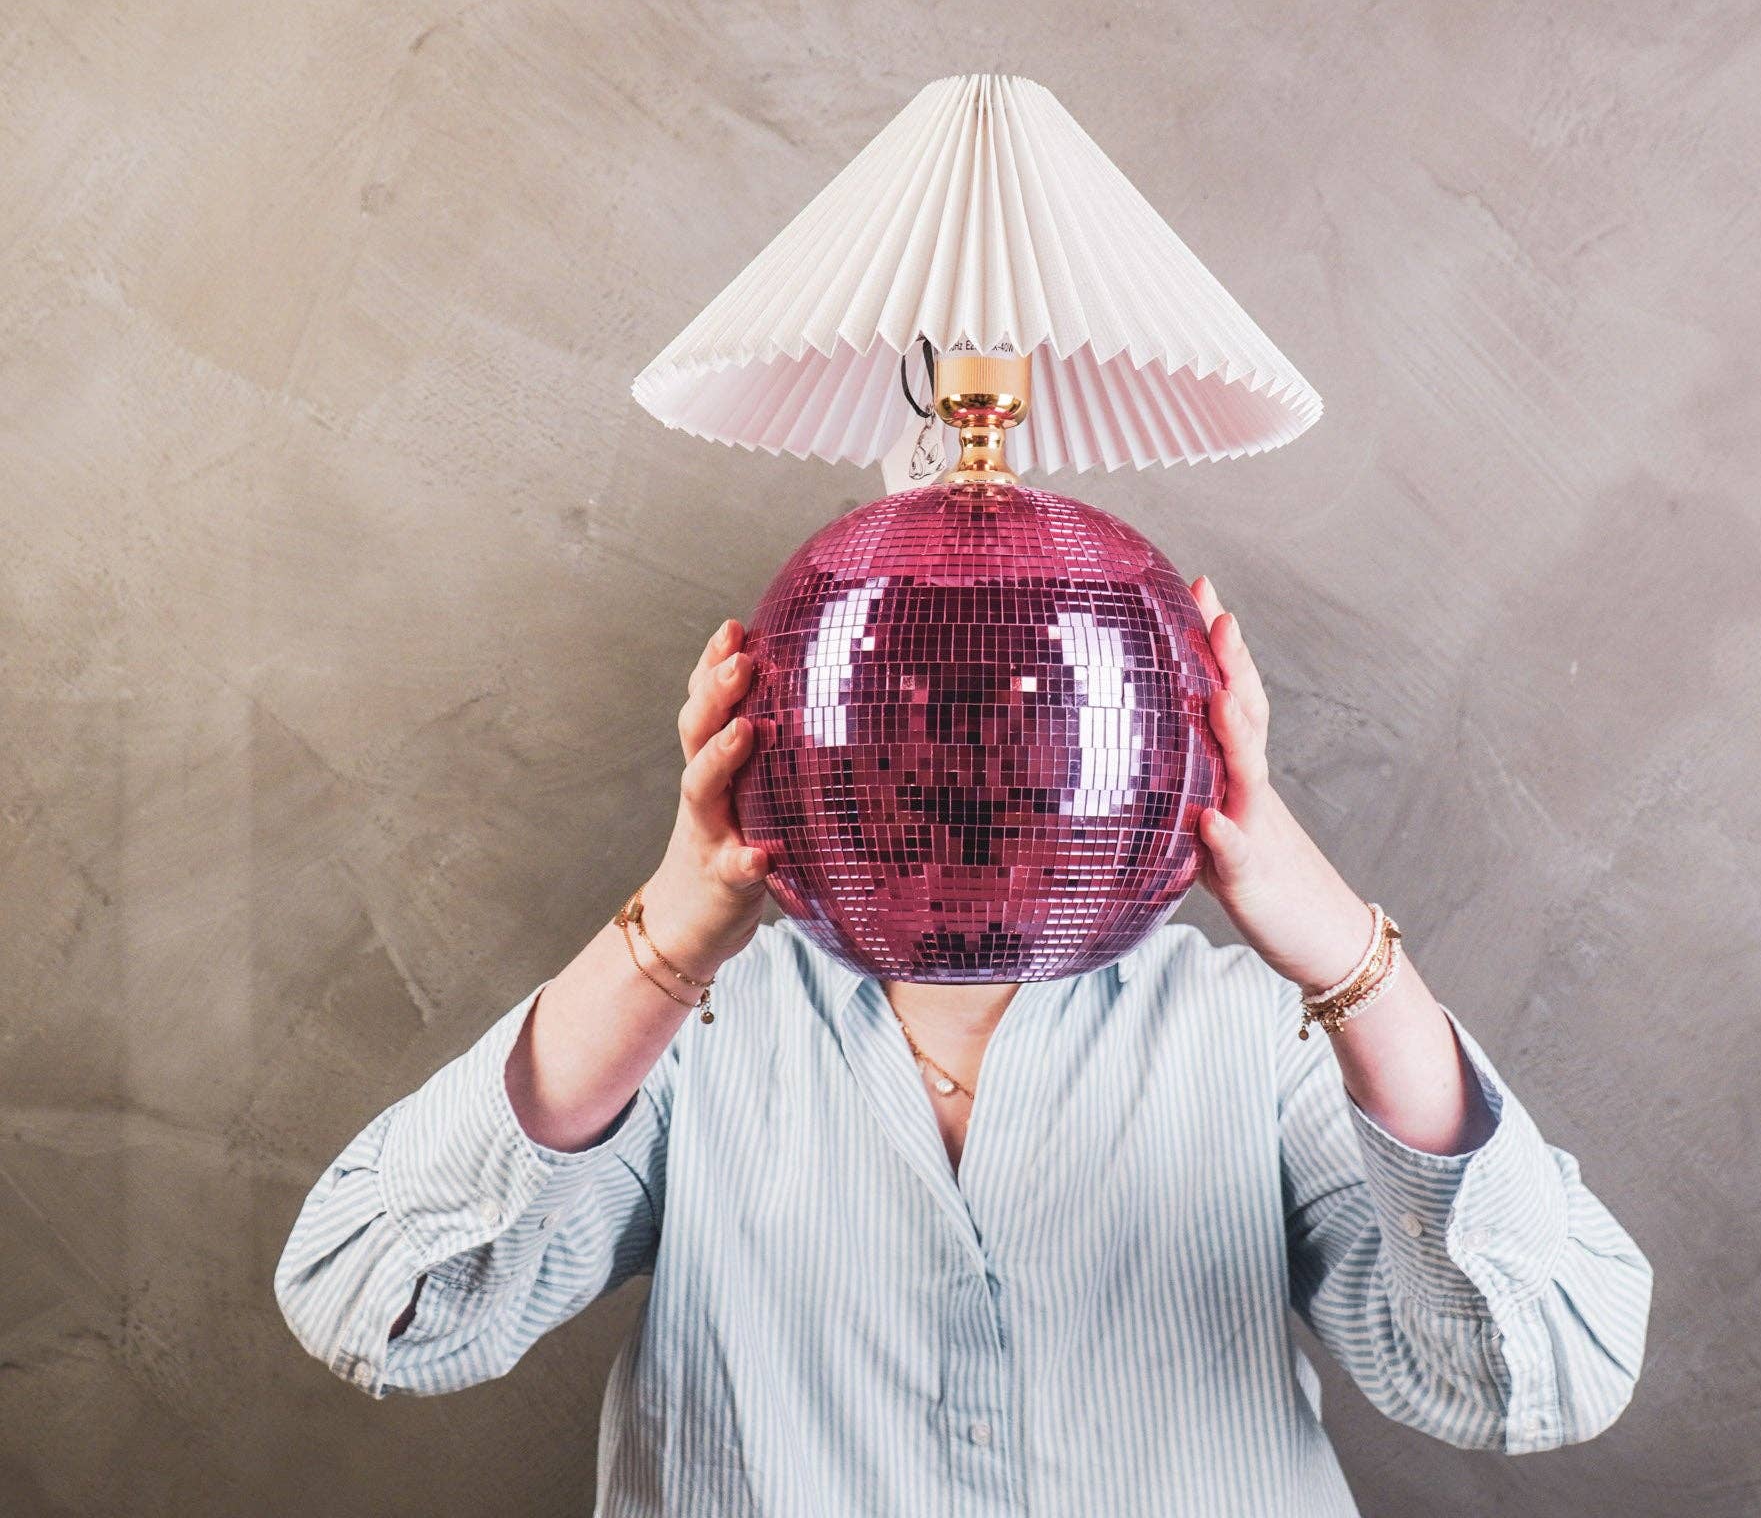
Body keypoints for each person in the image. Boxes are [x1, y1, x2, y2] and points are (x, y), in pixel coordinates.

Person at [275, 575, 1652, 1516]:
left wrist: (1345, 952)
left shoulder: (1256, 1033)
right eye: (915, 696)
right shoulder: (694, 1033)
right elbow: (377, 1310)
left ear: (1141, 728)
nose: (976, 748)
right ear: (800, 726)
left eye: (1035, 697)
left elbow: (1536, 1375)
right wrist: (670, 935)